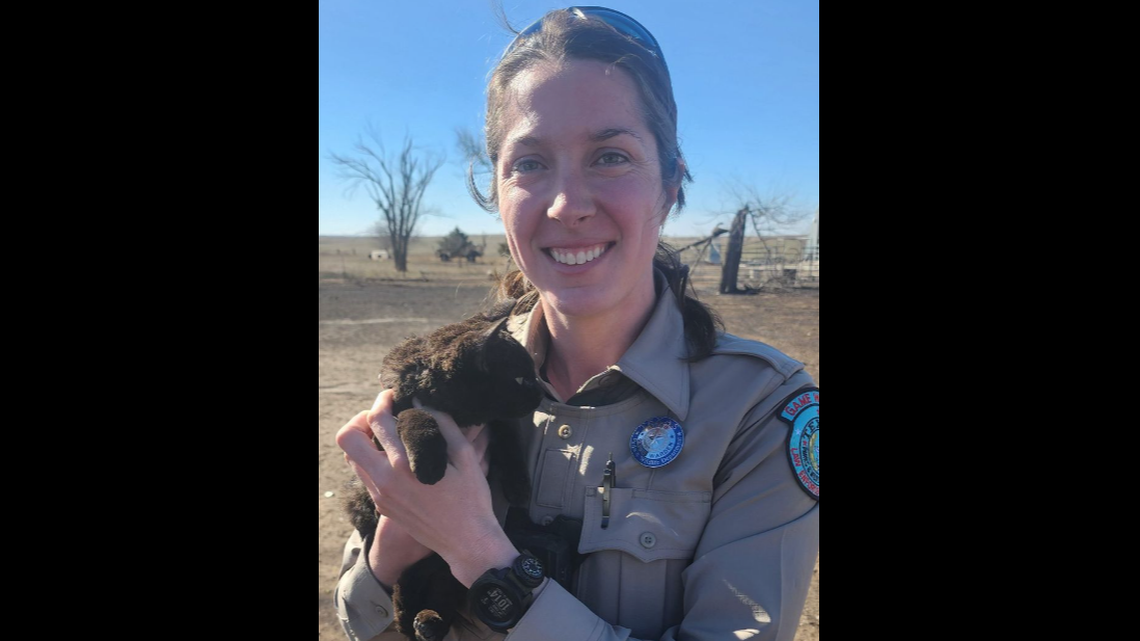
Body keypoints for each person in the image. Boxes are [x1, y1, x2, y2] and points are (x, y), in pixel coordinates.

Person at [334, 6, 819, 640]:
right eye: (530, 163)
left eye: (610, 156)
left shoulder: (759, 409)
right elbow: (363, 624)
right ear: (496, 191)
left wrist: (477, 551)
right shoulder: (457, 377)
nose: (567, 206)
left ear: (671, 182)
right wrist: (391, 550)